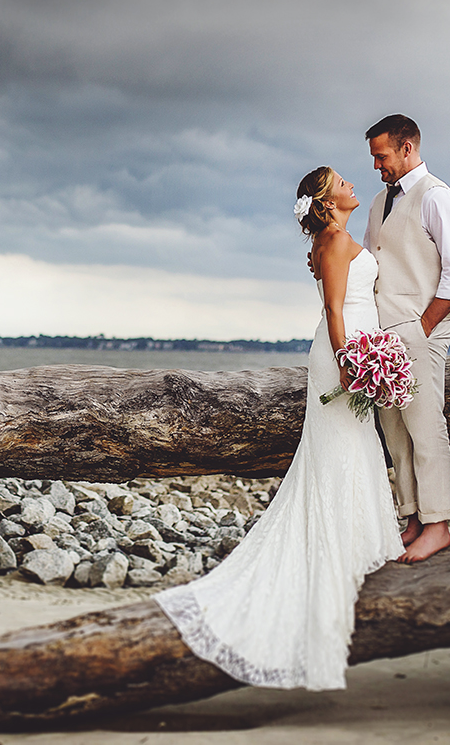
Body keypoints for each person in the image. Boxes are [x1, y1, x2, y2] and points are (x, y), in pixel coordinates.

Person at [155, 166, 404, 690]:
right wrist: (348, 362)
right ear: (326, 199)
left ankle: (357, 545)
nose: (352, 185)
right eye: (342, 182)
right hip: (343, 352)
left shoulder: (337, 237)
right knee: (338, 451)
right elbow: (336, 309)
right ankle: (341, 552)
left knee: (352, 449)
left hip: (356, 348)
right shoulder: (334, 241)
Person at [362, 114, 450, 563]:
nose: (376, 165)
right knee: (395, 431)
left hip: (418, 332)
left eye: (381, 155)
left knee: (427, 428)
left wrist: (423, 326)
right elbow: (373, 263)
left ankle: (438, 525)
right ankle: (411, 517)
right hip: (381, 338)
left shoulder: (438, 199)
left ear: (406, 148)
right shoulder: (377, 202)